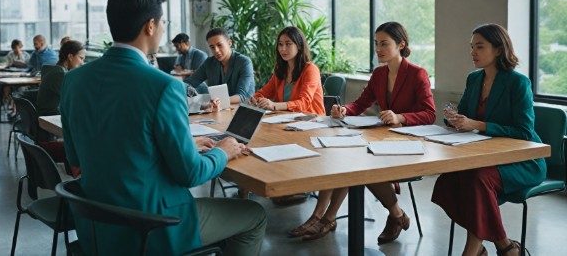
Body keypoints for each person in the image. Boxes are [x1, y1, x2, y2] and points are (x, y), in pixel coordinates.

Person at [61, 0, 266, 255]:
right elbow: (191, 174)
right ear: (150, 26)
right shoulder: (163, 86)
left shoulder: (74, 80)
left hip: (96, 222)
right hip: (152, 223)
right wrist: (221, 152)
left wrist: (185, 147)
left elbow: (76, 161)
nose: (163, 28)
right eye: (162, 22)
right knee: (254, 215)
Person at [290, 21, 436, 242]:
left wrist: (401, 117)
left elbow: (429, 113)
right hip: (384, 139)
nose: (378, 49)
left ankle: (331, 218)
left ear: (401, 44)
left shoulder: (417, 74)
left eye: (384, 44)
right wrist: (343, 110)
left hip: (411, 141)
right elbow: (360, 104)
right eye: (376, 43)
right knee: (352, 161)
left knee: (361, 164)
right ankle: (393, 215)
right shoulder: (379, 74)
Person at [431, 24, 546, 256]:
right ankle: (504, 245)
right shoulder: (474, 79)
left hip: (523, 161)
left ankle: (473, 250)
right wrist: (455, 119)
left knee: (478, 179)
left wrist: (478, 125)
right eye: (472, 47)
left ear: (498, 49)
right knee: (447, 182)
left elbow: (524, 131)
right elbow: (465, 114)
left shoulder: (518, 83)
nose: (473, 52)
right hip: (485, 156)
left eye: (480, 47)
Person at [250, 26, 325, 205]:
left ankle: (292, 185)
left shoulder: (310, 69)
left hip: (313, 125)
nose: (283, 49)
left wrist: (274, 105)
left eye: (288, 44)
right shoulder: (281, 70)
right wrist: (252, 100)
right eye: (280, 44)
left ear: (299, 46)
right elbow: (263, 92)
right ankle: (274, 182)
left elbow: (304, 103)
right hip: (288, 124)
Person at [184, 28, 255, 104]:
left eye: (219, 45)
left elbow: (241, 96)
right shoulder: (209, 63)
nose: (216, 50)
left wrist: (218, 101)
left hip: (243, 110)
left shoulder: (244, 62)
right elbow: (188, 83)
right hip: (218, 109)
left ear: (229, 43)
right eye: (212, 47)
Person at [36, 40, 85, 117]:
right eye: (81, 58)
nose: (82, 63)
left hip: (51, 114)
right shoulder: (59, 74)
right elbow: (74, 99)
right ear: (70, 57)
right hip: (51, 116)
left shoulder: (55, 69)